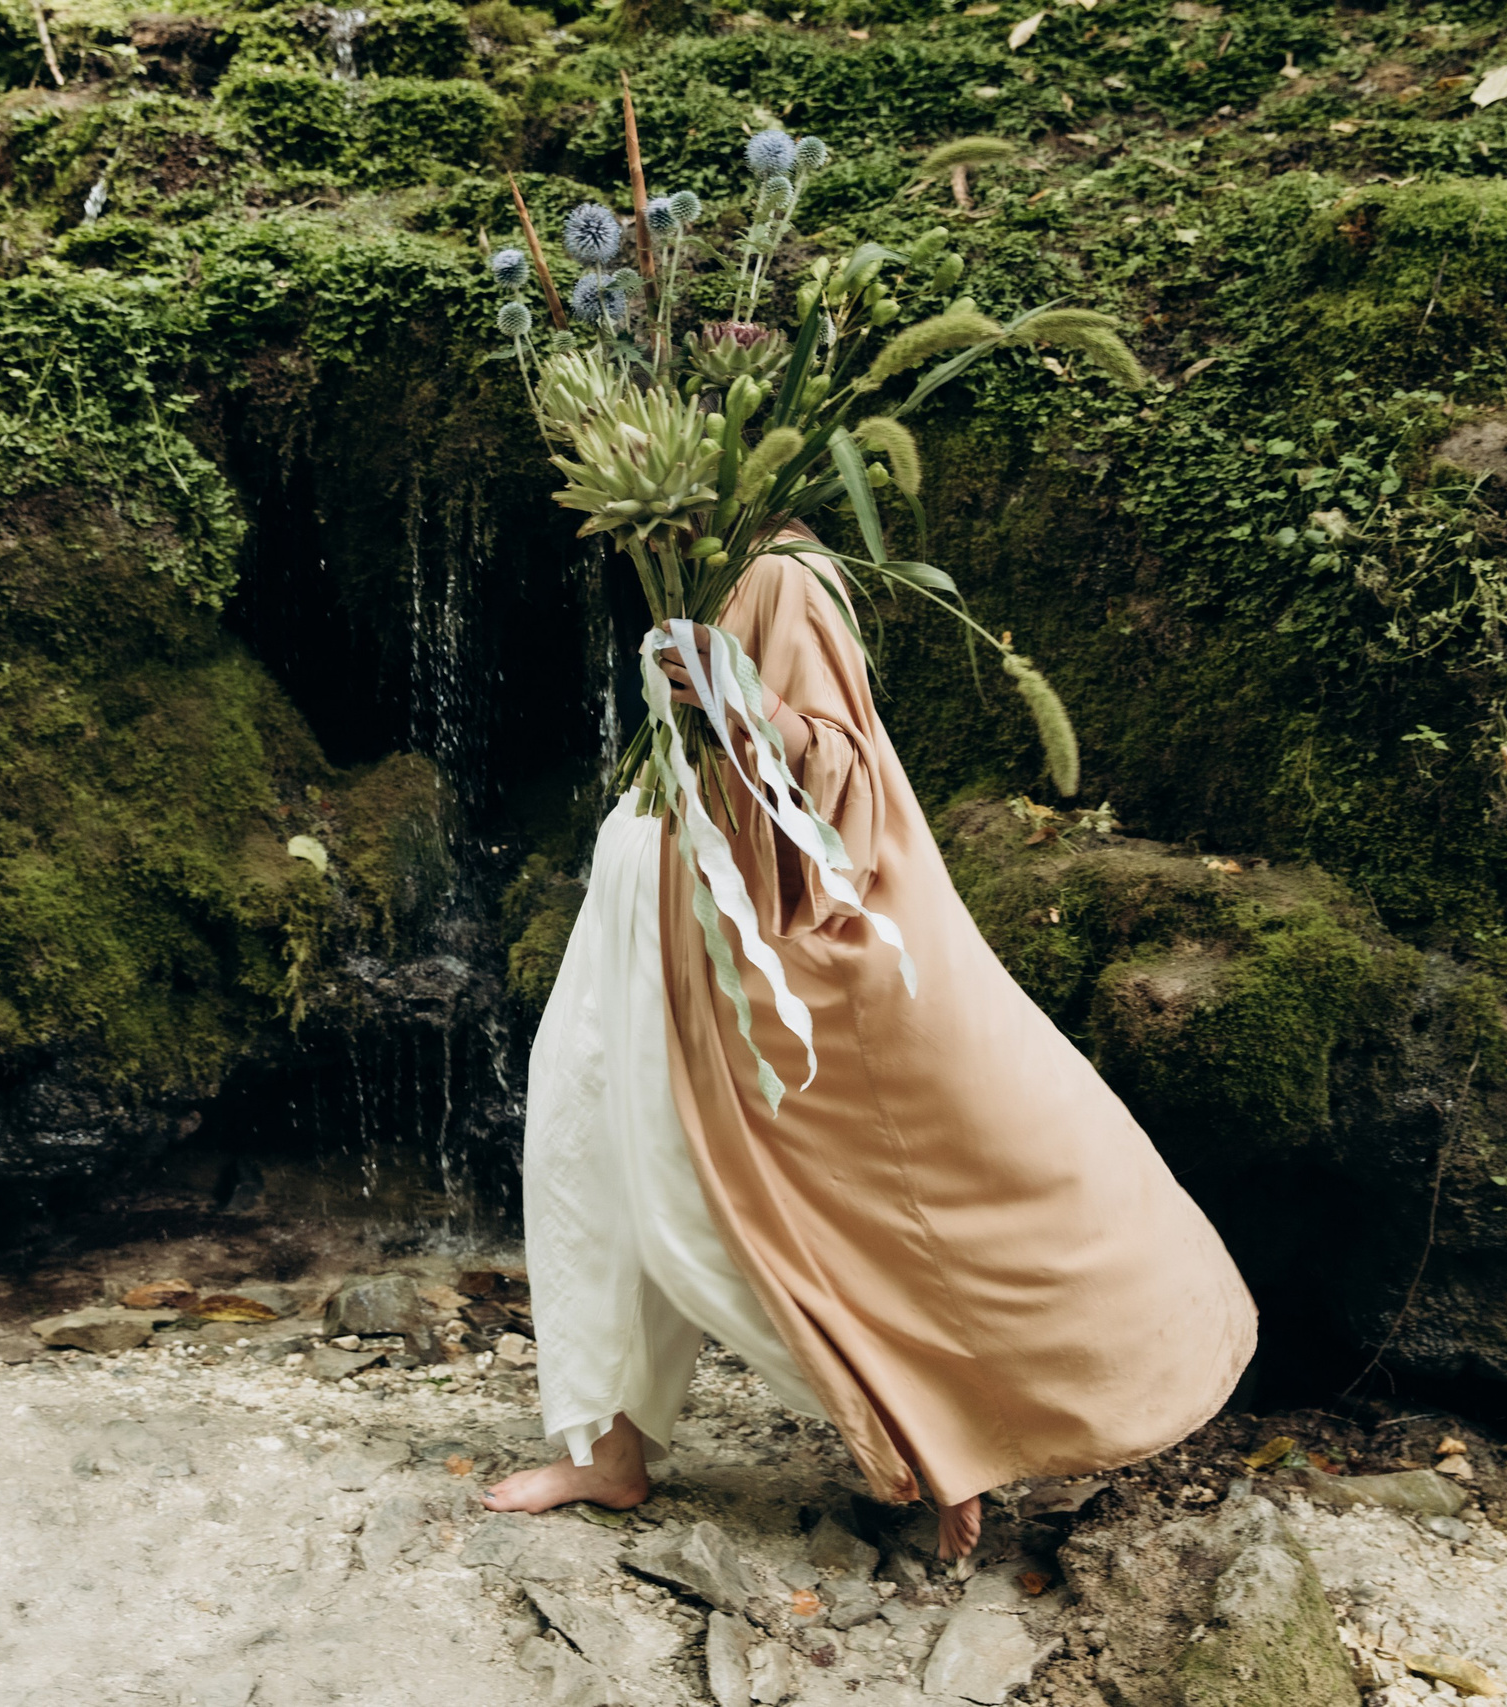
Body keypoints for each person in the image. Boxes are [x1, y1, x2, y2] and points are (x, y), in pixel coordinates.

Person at [483, 532, 1258, 1559]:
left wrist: (742, 703)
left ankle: (948, 1435)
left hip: (721, 938)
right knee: (588, 1159)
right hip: (641, 918)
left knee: (707, 1205)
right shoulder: (695, 556)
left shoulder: (779, 572)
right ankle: (608, 1450)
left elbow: (844, 769)